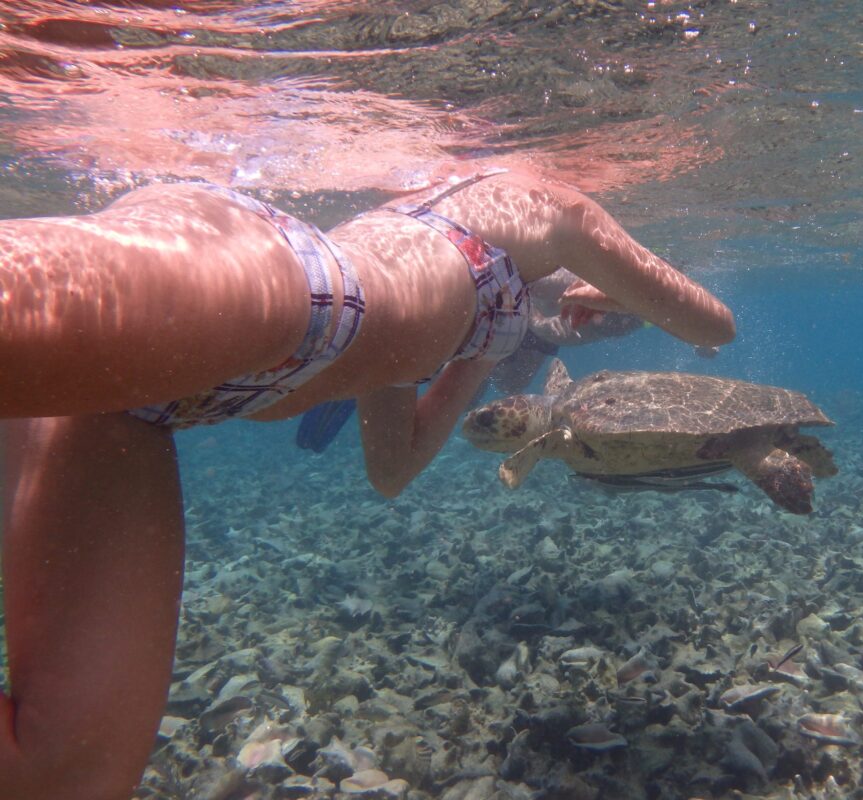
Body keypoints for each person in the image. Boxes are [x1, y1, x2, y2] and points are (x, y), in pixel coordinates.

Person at [0, 166, 735, 800]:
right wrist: (622, 297)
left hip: (162, 402)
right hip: (284, 293)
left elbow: (393, 469)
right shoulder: (543, 202)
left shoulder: (492, 302)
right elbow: (714, 323)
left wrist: (485, 347)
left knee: (66, 772)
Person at [295, 266, 644, 453]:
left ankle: (390, 380)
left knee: (506, 385)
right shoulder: (592, 286)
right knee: (469, 384)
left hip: (533, 331)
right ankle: (373, 379)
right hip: (511, 317)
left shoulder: (623, 308)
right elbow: (526, 276)